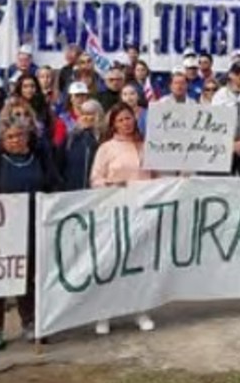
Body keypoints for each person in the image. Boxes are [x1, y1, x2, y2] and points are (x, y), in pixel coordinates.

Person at [0, 117, 61, 348]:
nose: (16, 141)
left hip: (33, 224)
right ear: (1, 139)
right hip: (0, 228)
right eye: (10, 137)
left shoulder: (39, 157)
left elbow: (55, 184)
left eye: (20, 136)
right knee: (0, 278)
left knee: (28, 277)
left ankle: (30, 323)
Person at [89, 103, 155, 335]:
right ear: (113, 124)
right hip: (114, 211)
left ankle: (140, 309)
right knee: (112, 262)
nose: (126, 123)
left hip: (141, 210)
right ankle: (104, 313)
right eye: (121, 120)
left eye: (129, 118)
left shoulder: (146, 146)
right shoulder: (106, 148)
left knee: (139, 261)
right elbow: (95, 178)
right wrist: (111, 185)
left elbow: (157, 176)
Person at [58, 99, 103, 191]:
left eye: (90, 114)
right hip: (72, 191)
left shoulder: (104, 138)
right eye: (83, 114)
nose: (86, 118)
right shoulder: (71, 138)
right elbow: (60, 164)